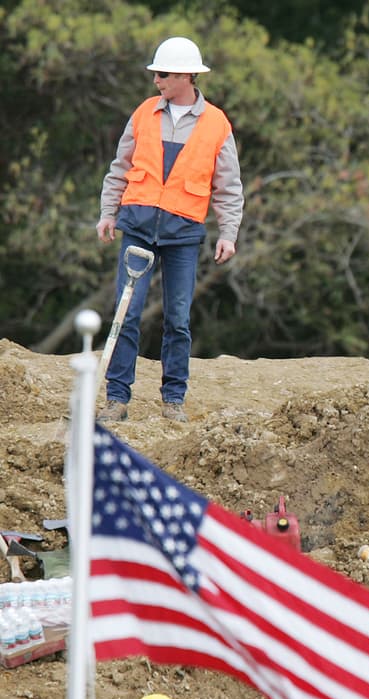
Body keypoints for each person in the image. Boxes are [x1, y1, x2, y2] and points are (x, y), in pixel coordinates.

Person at [96, 36, 244, 424]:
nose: (156, 81)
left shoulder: (216, 123)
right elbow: (120, 166)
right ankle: (117, 398)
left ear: (184, 76)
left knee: (178, 319)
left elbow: (228, 186)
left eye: (161, 74)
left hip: (183, 234)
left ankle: (173, 399)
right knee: (126, 315)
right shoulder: (145, 113)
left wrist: (228, 232)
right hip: (139, 228)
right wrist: (108, 212)